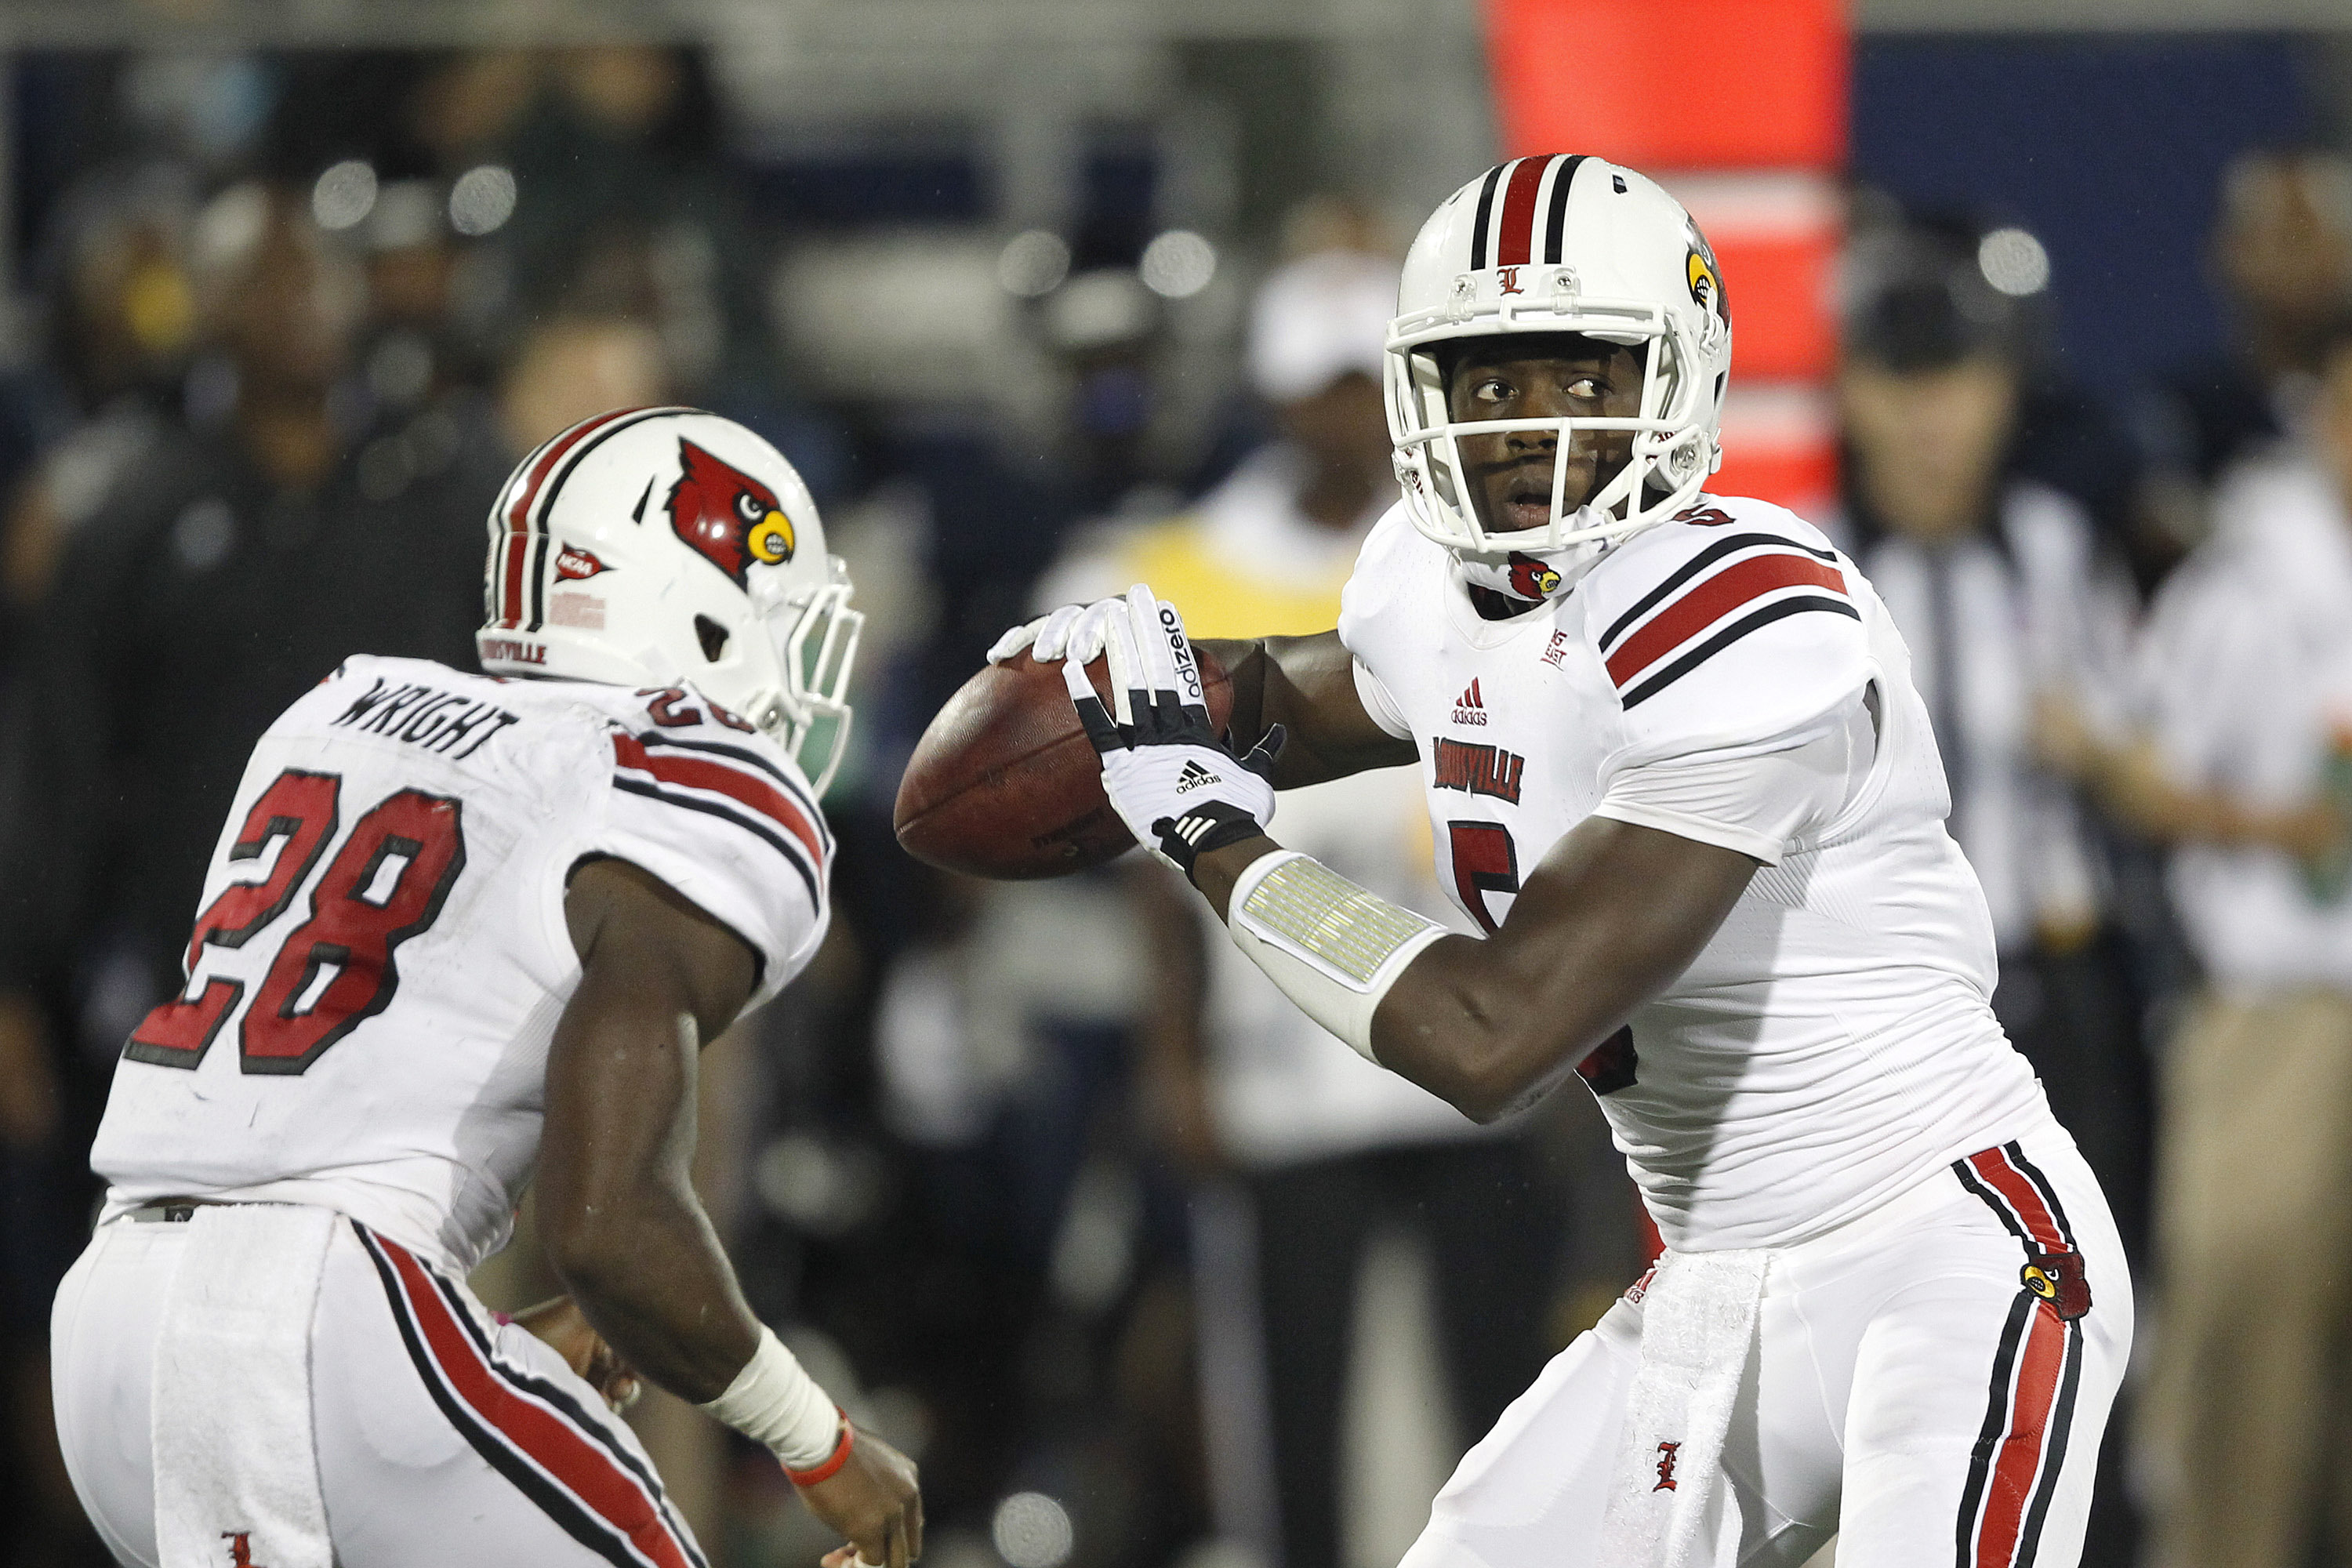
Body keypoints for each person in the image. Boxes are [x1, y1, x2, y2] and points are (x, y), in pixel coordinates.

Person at [993, 154, 2131, 1566]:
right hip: (1717, 1280)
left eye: (1582, 376)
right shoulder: (1425, 583)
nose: (1530, 422)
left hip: (1945, 1256)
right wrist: (1134, 689)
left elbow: (1493, 1035)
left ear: (1681, 376)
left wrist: (1212, 837)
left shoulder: (1752, 612)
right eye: (1488, 379)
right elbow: (1299, 702)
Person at [47, 408, 920, 1568]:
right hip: (333, 1329)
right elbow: (610, 1228)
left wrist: (455, 1341)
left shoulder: (338, 708)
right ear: (695, 609)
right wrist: (819, 1442)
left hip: (110, 1331)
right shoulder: (664, 780)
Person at [1043, 243, 1564, 1568]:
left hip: (1482, 1030)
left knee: (1512, 1414)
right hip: (1286, 1050)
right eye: (1319, 388)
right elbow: (1146, 854)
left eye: (1363, 387)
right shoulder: (1166, 565)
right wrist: (1175, 1053)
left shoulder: (1500, 557)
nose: (1345, 420)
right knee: (1295, 1426)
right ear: (1274, 397)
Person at [2048, 320, 2352, 1568]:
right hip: (2278, 1018)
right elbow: (2136, 767)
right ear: (2324, 415)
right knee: (2244, 1357)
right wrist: (2282, 823)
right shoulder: (2257, 578)